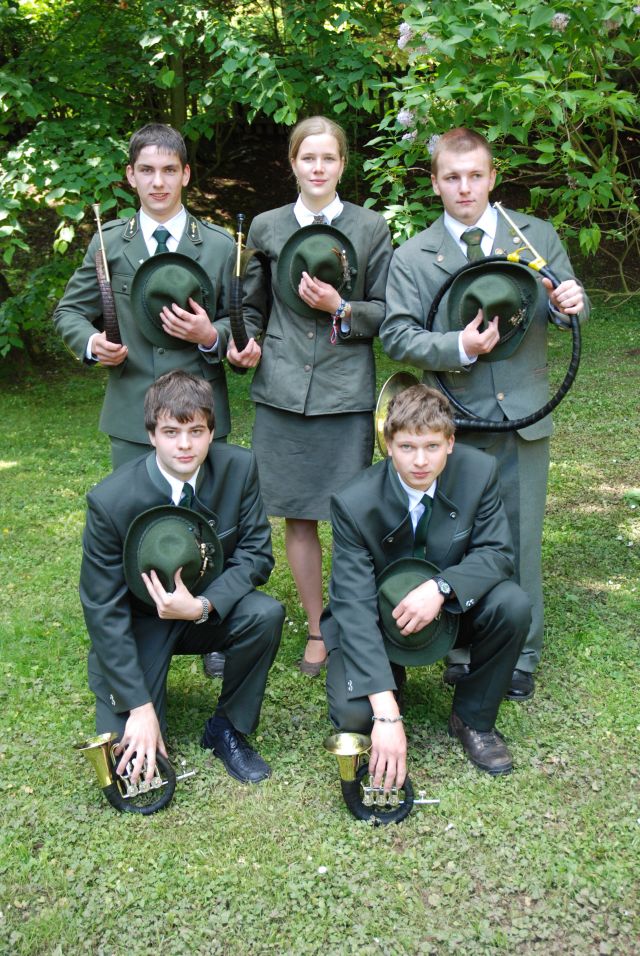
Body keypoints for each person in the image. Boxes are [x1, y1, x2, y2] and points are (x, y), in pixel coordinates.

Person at [380, 127, 589, 701]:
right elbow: (396, 336)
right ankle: (464, 646)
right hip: (452, 422)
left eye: (475, 175)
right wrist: (457, 347)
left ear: (493, 177)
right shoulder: (414, 255)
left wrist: (570, 304)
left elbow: (568, 304)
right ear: (434, 183)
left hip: (523, 414)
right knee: (456, 539)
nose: (465, 188)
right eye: (452, 177)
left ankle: (519, 653)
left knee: (520, 537)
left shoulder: (535, 236)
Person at [228, 115, 393, 676]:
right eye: (307, 158)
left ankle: (354, 625)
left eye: (328, 158)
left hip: (345, 393)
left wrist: (339, 307)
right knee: (297, 517)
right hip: (281, 390)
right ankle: (319, 629)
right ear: (292, 163)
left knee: (350, 518)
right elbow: (251, 306)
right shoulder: (268, 227)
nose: (317, 168)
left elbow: (386, 311)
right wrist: (245, 342)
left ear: (342, 164)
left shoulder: (370, 227)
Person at [79, 371, 284, 785]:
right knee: (131, 766)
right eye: (171, 432)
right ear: (151, 435)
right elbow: (102, 609)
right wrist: (139, 706)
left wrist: (203, 606)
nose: (185, 445)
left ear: (212, 432)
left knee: (265, 614)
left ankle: (227, 727)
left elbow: (257, 554)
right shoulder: (110, 501)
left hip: (204, 612)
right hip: (141, 623)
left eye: (196, 431)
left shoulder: (239, 468)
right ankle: (142, 703)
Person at [322, 384, 531, 785]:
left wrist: (441, 587)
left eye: (432, 446)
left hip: (448, 613)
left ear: (450, 443)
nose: (420, 461)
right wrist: (385, 712)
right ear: (388, 445)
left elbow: (497, 552)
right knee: (355, 719)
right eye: (407, 447)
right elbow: (354, 605)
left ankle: (473, 719)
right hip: (377, 622)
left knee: (512, 605)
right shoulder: (352, 502)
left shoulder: (479, 472)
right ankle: (389, 678)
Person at [54, 123, 235, 471]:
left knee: (203, 505)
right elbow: (70, 311)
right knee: (135, 505)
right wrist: (93, 343)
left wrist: (211, 335)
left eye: (169, 170)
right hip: (132, 414)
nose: (158, 182)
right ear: (131, 175)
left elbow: (243, 320)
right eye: (147, 170)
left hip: (201, 416)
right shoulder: (108, 243)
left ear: (185, 174)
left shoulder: (219, 245)